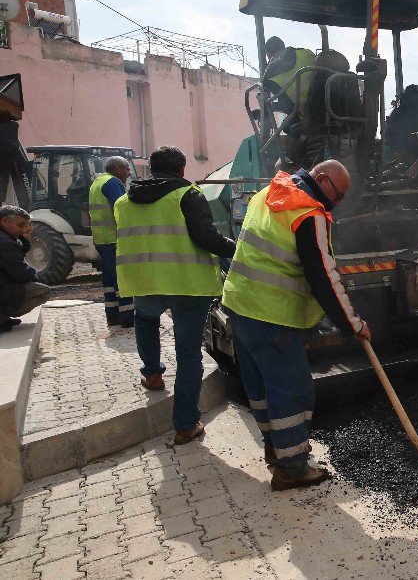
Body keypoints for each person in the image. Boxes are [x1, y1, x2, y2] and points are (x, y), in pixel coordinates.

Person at [221, 159, 371, 491]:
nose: (338, 204)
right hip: (273, 315)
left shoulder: (268, 193)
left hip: (240, 304)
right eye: (339, 195)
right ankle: (291, 468)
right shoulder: (307, 212)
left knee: (261, 388)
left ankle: (277, 449)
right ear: (321, 179)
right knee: (292, 390)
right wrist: (353, 324)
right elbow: (324, 278)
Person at [115, 146, 236, 444]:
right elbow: (205, 237)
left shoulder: (124, 201)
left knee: (145, 322)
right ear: (181, 170)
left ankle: (153, 374)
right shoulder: (187, 195)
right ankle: (185, 424)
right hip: (186, 283)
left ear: (152, 169)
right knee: (188, 353)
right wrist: (238, 248)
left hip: (143, 280)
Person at [89, 156, 133, 328]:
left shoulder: (97, 183)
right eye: (126, 169)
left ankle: (112, 315)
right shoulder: (113, 183)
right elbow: (122, 208)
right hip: (114, 239)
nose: (128, 173)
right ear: (117, 169)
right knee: (122, 278)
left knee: (109, 280)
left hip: (101, 239)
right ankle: (128, 318)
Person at [0, 205, 50, 332]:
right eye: (20, 226)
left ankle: (4, 317)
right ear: (4, 221)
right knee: (42, 291)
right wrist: (34, 275)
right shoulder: (5, 242)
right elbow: (20, 273)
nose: (23, 230)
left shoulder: (7, 239)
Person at [262, 36, 317, 125]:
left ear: (269, 54)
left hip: (306, 113)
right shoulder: (306, 52)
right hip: (327, 105)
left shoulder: (271, 77)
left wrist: (270, 108)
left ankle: (305, 138)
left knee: (286, 126)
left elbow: (287, 106)